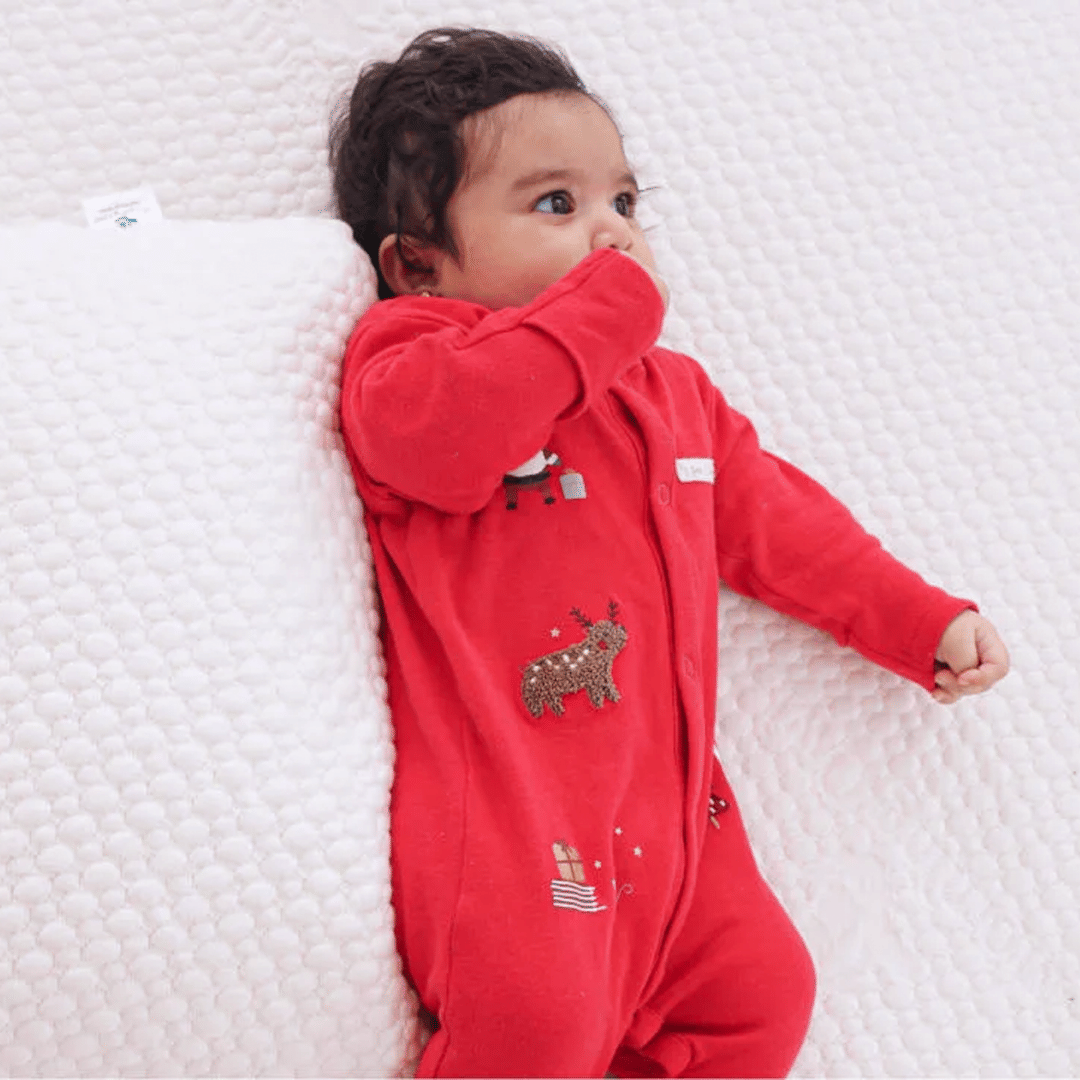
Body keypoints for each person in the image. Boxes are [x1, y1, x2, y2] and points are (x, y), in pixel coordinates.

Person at [329, 27, 1009, 1079]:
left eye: (625, 202)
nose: (611, 232)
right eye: (556, 205)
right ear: (418, 263)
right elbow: (435, 443)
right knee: (536, 1023)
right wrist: (606, 309)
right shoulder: (415, 360)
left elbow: (781, 525)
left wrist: (917, 619)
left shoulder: (670, 395)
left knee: (763, 994)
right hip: (516, 832)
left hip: (680, 829)